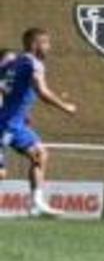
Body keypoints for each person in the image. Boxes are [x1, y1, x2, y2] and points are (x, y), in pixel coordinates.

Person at [1, 28, 79, 217]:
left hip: (16, 123)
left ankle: (37, 204)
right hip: (6, 124)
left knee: (40, 153)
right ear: (36, 44)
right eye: (46, 43)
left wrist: (18, 107)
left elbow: (5, 86)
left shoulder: (14, 62)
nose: (49, 48)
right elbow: (42, 91)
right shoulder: (33, 63)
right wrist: (65, 107)